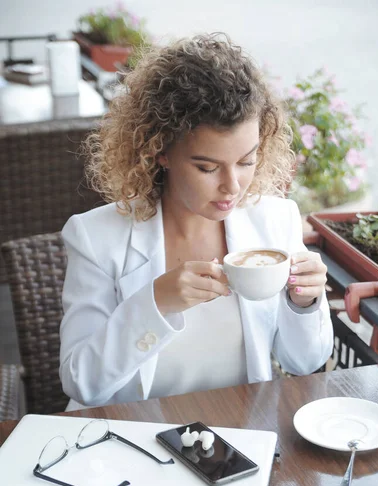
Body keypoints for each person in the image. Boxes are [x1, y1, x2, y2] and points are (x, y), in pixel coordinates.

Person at [60, 33, 333, 410]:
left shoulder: (275, 220)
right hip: (132, 445)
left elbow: (303, 362)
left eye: (247, 161)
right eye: (207, 167)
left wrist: (305, 303)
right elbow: (81, 383)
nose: (232, 186)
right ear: (161, 151)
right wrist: (155, 302)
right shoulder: (95, 238)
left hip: (236, 442)